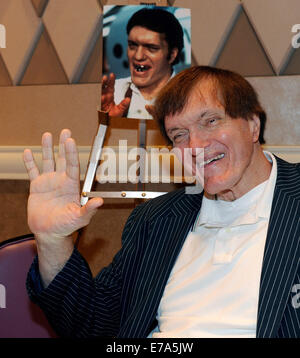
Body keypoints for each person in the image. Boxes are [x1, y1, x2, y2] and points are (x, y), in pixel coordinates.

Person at [23, 66, 300, 338]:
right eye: (179, 134)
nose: (195, 145)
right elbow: (93, 325)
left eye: (210, 121)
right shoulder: (156, 220)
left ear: (253, 125)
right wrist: (53, 241)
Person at [101, 7, 184, 119]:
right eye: (132, 46)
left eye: (151, 48)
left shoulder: (188, 96)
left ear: (172, 55)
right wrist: (106, 121)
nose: (138, 56)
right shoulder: (113, 93)